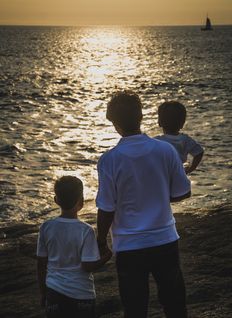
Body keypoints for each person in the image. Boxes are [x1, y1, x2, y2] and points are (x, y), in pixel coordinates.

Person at [96, 90, 191, 318]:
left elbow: (107, 207)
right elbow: (183, 192)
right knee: (175, 304)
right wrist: (158, 195)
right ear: (141, 117)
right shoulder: (165, 150)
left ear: (113, 123)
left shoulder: (109, 160)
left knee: (135, 308)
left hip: (129, 246)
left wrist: (100, 240)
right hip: (164, 240)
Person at [37, 175, 112, 318]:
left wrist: (43, 293)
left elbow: (41, 264)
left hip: (54, 292)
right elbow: (87, 266)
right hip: (81, 294)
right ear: (81, 202)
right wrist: (107, 257)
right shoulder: (86, 230)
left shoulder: (46, 227)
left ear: (56, 200)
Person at [156, 101, 204, 174]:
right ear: (182, 123)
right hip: (180, 174)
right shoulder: (185, 140)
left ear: (159, 122)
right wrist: (190, 169)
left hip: (162, 176)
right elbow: (199, 152)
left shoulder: (157, 141)